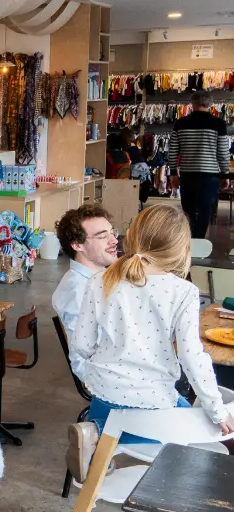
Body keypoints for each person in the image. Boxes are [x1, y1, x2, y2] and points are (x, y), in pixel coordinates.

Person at [67, 206, 234, 480]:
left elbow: (83, 345)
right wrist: (216, 411)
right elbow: (192, 359)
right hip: (153, 400)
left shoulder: (100, 280)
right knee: (200, 428)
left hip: (104, 392)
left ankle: (97, 438)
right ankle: (171, 486)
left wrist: (100, 371)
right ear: (180, 248)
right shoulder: (184, 292)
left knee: (117, 414)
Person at [51, 205, 118, 379]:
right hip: (109, 380)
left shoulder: (101, 278)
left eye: (112, 233)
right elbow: (83, 363)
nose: (114, 241)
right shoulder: (78, 292)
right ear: (77, 245)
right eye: (103, 236)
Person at [168, 90, 229, 237]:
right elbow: (222, 152)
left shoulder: (180, 123)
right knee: (204, 210)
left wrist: (173, 173)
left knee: (188, 209)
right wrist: (225, 173)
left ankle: (188, 240)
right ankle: (198, 240)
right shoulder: (218, 124)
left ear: (192, 103)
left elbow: (173, 151)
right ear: (210, 104)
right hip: (209, 175)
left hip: (188, 174)